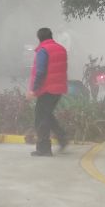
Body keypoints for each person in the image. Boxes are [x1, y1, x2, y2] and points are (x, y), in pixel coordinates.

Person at [27, 26, 68, 156]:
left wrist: (34, 90)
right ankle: (62, 138)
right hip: (59, 88)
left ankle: (44, 148)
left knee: (40, 118)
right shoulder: (61, 48)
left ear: (39, 38)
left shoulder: (43, 50)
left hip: (47, 89)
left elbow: (40, 71)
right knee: (47, 115)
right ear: (51, 35)